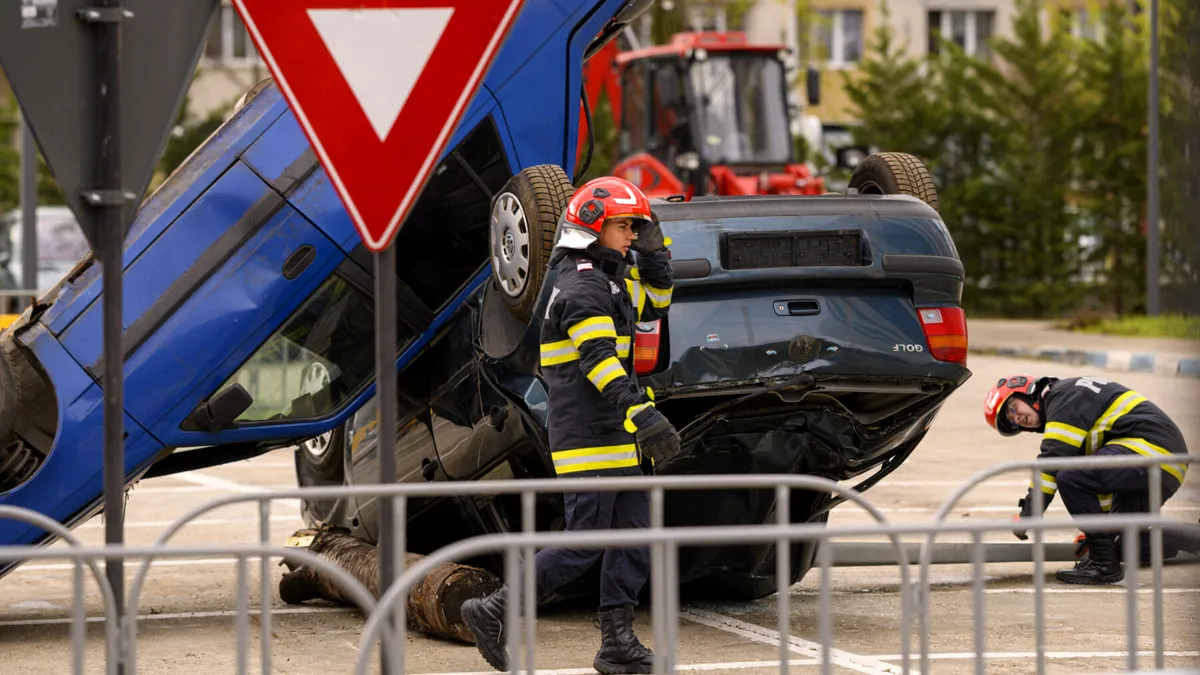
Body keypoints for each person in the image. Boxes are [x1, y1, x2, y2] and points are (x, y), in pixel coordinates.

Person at [460, 176, 681, 674]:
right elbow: (599, 360)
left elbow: (656, 308)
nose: (631, 235)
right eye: (624, 226)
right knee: (584, 541)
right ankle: (494, 610)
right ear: (591, 227)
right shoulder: (580, 285)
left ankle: (618, 643)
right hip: (588, 435)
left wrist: (654, 257)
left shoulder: (608, 280)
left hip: (615, 433)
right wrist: (642, 414)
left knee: (636, 537)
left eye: (635, 227)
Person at [983, 373, 1194, 585]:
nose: (1017, 419)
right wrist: (1099, 534)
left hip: (1151, 451)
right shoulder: (1071, 412)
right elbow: (1099, 484)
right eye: (1011, 422)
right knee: (1122, 546)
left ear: (1026, 391)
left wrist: (1028, 513)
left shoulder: (1063, 397)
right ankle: (1193, 539)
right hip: (1165, 465)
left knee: (1070, 477)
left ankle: (1104, 567)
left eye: (1012, 409)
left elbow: (1051, 463)